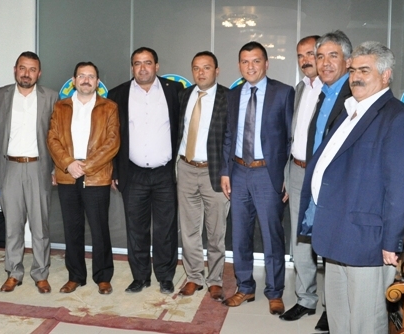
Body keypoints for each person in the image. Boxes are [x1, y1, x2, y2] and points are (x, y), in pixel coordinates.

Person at [300, 41, 404, 334]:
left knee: (365, 309)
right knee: (338, 301)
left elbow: (402, 185)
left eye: (365, 70)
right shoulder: (351, 110)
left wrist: (391, 240)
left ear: (386, 75)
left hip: (367, 232)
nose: (355, 77)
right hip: (336, 226)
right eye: (353, 70)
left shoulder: (397, 118)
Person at [220, 42, 294, 315]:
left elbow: (291, 137)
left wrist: (286, 175)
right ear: (239, 65)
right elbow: (229, 136)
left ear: (266, 63)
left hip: (267, 173)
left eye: (256, 61)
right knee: (239, 233)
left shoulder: (283, 93)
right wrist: (225, 171)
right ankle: (245, 287)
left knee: (272, 234)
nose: (250, 66)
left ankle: (274, 292)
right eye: (245, 61)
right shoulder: (233, 95)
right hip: (239, 171)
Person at [108, 47, 183, 294]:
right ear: (132, 67)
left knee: (165, 228)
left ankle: (165, 276)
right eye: (137, 63)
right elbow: (112, 136)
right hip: (133, 173)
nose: (142, 68)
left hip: (165, 173)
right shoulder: (117, 94)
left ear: (157, 66)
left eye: (147, 62)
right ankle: (140, 277)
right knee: (136, 228)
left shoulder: (175, 91)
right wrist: (114, 171)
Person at [47, 61, 120, 295]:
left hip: (96, 175)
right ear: (73, 81)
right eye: (81, 76)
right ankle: (75, 276)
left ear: (97, 82)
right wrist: (69, 163)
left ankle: (103, 277)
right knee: (72, 229)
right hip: (68, 174)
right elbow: (52, 139)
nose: (86, 80)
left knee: (99, 229)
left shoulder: (109, 107)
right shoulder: (60, 107)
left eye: (90, 76)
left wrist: (86, 166)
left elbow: (112, 142)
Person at [303, 31, 354, 334]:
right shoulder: (324, 94)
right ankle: (334, 323)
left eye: (333, 56)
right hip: (320, 186)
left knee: (340, 262)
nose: (324, 63)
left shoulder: (353, 95)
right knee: (329, 259)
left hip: (341, 192)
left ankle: (340, 330)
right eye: (320, 56)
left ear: (348, 61)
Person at [0, 52, 59, 294]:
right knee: (13, 225)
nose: (26, 73)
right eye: (22, 68)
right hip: (9, 167)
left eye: (32, 69)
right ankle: (14, 272)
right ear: (15, 69)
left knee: (40, 226)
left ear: (39, 73)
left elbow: (56, 135)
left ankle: (41, 273)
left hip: (38, 168)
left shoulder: (50, 97)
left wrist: (55, 168)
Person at [176, 51, 229, 301]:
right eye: (196, 68)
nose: (201, 72)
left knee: (216, 231)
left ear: (216, 71)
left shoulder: (228, 98)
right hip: (186, 168)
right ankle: (194, 277)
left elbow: (232, 139)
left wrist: (228, 172)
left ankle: (215, 279)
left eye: (206, 67)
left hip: (215, 171)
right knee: (189, 229)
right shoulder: (184, 95)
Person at [280, 35, 322, 322]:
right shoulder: (300, 89)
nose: (305, 60)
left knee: (327, 238)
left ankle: (332, 310)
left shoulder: (337, 90)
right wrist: (286, 172)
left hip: (323, 174)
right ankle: (306, 299)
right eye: (300, 55)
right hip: (296, 170)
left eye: (311, 53)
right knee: (300, 238)